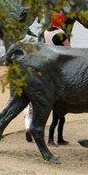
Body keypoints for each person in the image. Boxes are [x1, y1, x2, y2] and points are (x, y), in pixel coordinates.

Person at [24, 12, 70, 145]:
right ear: (60, 21)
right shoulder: (61, 33)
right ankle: (55, 137)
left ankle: (32, 125)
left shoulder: (44, 32)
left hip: (46, 65)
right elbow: (69, 49)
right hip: (58, 65)